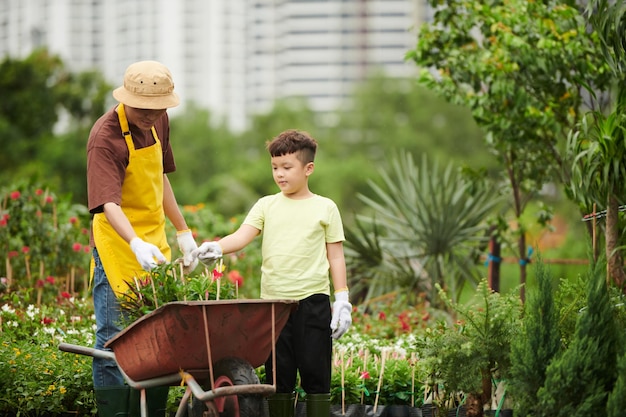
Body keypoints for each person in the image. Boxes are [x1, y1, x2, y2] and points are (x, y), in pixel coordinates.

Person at [191, 129, 352, 417]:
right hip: (274, 307)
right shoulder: (266, 205)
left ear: (308, 168)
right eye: (275, 167)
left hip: (312, 301)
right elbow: (241, 236)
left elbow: (336, 256)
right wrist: (216, 248)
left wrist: (342, 299)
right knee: (279, 377)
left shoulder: (325, 208)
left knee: (316, 375)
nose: (280, 174)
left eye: (287, 167)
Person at [86, 60, 199, 417]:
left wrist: (182, 231)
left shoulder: (158, 122)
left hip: (155, 241)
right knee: (112, 337)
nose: (152, 115)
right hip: (118, 243)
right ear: (127, 99)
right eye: (144, 108)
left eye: (159, 107)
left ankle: (150, 411)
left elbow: (160, 179)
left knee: (161, 335)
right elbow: (107, 203)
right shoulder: (105, 137)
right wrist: (134, 242)